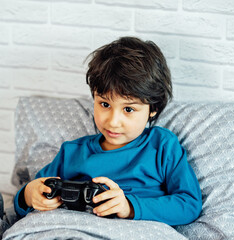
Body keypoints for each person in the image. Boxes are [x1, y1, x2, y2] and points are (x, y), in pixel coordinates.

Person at [14, 36, 202, 226]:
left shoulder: (162, 145)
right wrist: (28, 195)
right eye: (104, 104)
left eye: (128, 109)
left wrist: (129, 207)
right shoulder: (72, 152)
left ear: (152, 109)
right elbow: (33, 193)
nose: (112, 122)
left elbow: (189, 204)